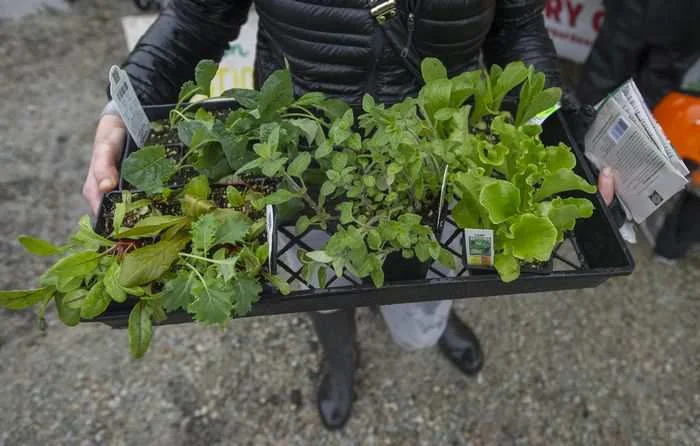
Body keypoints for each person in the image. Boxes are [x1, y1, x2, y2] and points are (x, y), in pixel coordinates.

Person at [83, 0, 613, 430]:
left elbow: (517, 26)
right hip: (301, 156)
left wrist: (555, 128)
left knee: (428, 269)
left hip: (437, 156)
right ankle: (341, 359)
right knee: (321, 278)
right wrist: (124, 109)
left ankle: (429, 321)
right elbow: (197, 16)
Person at [576, 0, 700, 260]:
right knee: (638, 105)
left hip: (653, 14)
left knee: (608, 86)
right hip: (684, 22)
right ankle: (600, 188)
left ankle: (585, 175)